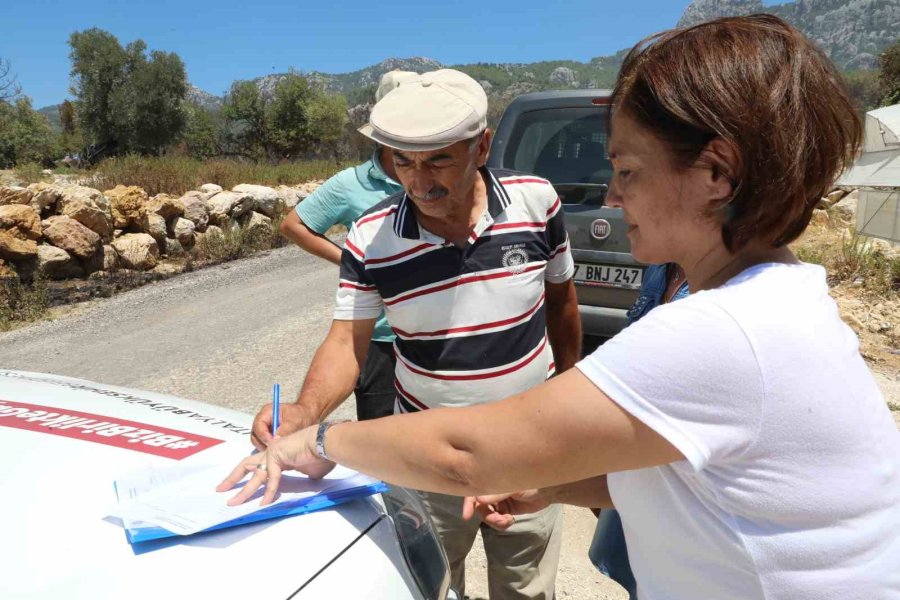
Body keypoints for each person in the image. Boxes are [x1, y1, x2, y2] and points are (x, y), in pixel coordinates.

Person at [220, 16, 900, 599]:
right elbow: (694, 480)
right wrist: (560, 482)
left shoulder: (715, 333)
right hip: (471, 460)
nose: (610, 198)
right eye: (403, 162)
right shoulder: (781, 296)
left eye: (627, 170)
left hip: (488, 455)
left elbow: (465, 451)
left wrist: (319, 440)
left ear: (716, 174)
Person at [246, 68, 582, 599]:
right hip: (426, 457)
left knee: (526, 591)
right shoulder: (370, 238)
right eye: (403, 162)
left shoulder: (537, 202)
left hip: (528, 449)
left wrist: (569, 403)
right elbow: (346, 343)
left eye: (438, 161)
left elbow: (561, 301)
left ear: (482, 147)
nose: (419, 183)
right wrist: (306, 413)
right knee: (428, 584)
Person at [275, 70, 417, 427]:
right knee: (383, 447)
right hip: (379, 339)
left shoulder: (439, 178)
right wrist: (347, 259)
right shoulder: (351, 184)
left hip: (434, 335)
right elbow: (295, 225)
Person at [590, 262, 689, 599]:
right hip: (640, 465)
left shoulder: (723, 292)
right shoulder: (662, 269)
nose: (613, 206)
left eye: (630, 201)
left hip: (677, 476)